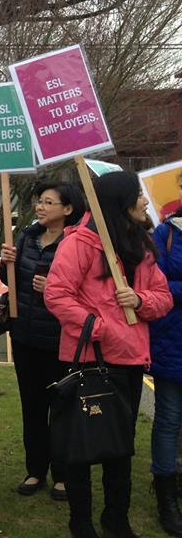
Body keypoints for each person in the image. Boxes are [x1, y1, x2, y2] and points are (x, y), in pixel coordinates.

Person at [45, 171, 173, 538]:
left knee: (121, 446)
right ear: (121, 200)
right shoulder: (81, 244)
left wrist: (141, 300)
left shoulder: (142, 246)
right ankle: (81, 522)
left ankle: (117, 519)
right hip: (90, 360)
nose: (145, 201)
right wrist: (98, 328)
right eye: (138, 194)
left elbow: (163, 297)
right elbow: (57, 295)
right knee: (82, 447)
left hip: (131, 363)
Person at [0, 182, 85, 502]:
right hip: (24, 337)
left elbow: (86, 289)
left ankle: (62, 474)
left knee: (61, 409)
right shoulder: (28, 237)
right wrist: (9, 262)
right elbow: (11, 282)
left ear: (67, 209)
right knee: (32, 407)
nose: (41, 207)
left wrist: (53, 286)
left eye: (49, 202)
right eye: (40, 201)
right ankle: (35, 469)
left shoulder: (77, 243)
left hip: (60, 340)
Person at [152, 190, 182, 536]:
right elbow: (155, 283)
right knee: (169, 419)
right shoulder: (166, 233)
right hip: (171, 341)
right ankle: (166, 494)